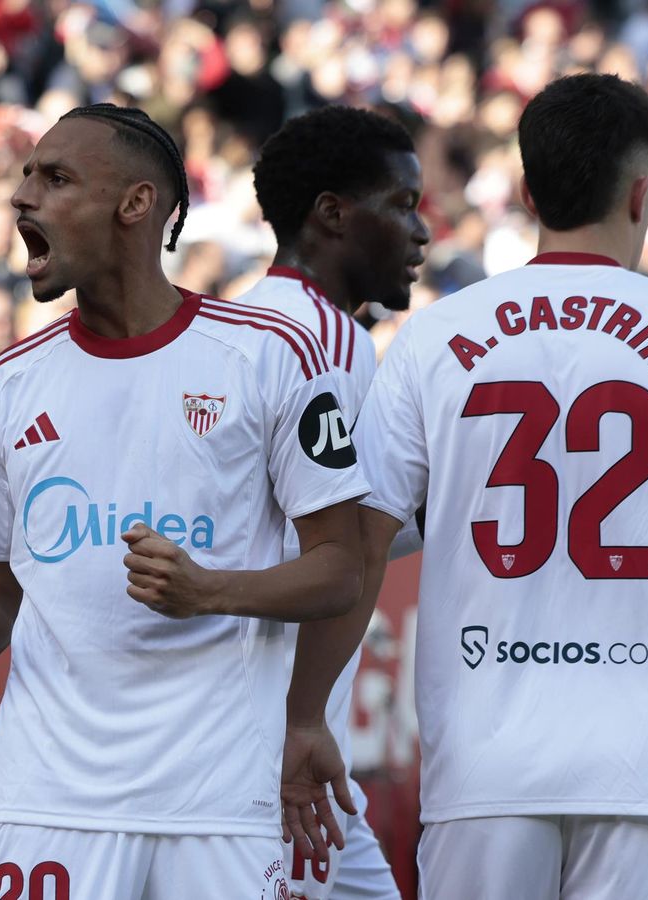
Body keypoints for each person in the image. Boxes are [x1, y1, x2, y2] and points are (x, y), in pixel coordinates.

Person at [285, 73, 648, 899]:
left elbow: (358, 548)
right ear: (641, 192)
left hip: (487, 767)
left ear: (529, 193)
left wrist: (306, 713)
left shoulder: (432, 339)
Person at [0, 102, 369, 899]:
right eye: (26, 175)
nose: (22, 195)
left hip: (220, 806)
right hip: (44, 803)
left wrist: (210, 590)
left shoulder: (271, 357)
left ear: (137, 204)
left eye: (55, 177)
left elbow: (342, 567)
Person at [237, 104, 428, 900]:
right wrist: (302, 720)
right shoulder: (324, 341)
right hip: (273, 741)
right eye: (403, 205)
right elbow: (341, 550)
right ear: (333, 214)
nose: (422, 233)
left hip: (290, 737)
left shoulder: (258, 322)